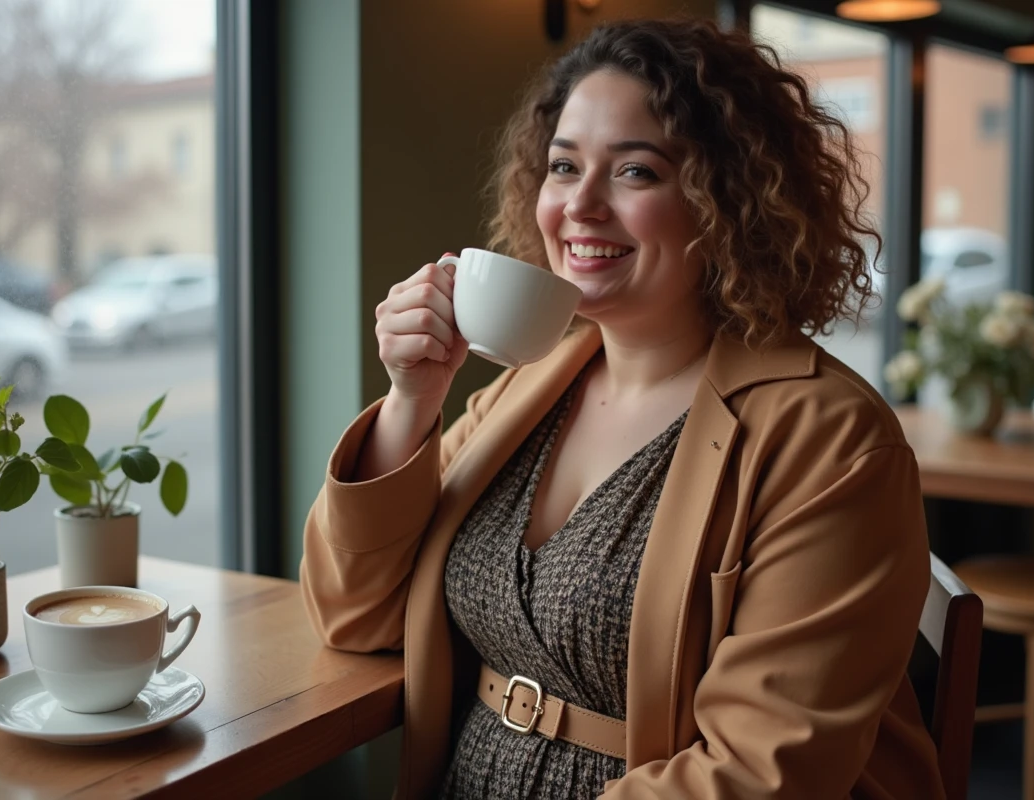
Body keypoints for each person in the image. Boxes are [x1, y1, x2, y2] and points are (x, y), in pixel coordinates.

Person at [301, 17, 945, 800]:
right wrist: (413, 398)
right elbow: (353, 618)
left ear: (728, 200)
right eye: (564, 166)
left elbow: (760, 774)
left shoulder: (832, 443)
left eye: (636, 172)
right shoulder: (529, 388)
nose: (581, 205)